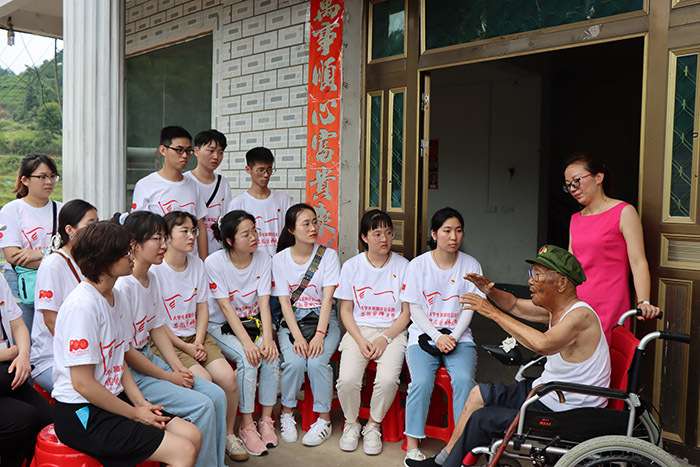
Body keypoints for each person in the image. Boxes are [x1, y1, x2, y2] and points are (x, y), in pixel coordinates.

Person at [405, 245, 611, 467]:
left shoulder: (580, 316)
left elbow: (543, 344)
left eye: (537, 275)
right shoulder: (556, 310)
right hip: (548, 392)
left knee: (481, 419)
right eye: (531, 274)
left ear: (561, 283)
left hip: (568, 409)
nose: (530, 281)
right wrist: (489, 291)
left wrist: (491, 312)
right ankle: (444, 460)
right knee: (478, 394)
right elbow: (514, 305)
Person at [51, 221, 200, 467]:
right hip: (81, 411)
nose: (132, 257)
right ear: (105, 260)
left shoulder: (116, 295)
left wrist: (141, 403)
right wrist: (135, 413)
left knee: (192, 434)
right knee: (182, 451)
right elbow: (82, 384)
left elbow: (119, 360)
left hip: (113, 398)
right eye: (125, 252)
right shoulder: (82, 306)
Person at [116, 211, 230, 467]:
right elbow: (126, 353)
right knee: (202, 406)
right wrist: (169, 376)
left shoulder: (151, 277)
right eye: (157, 238)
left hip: (150, 358)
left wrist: (178, 368)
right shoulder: (124, 286)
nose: (163, 245)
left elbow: (157, 327)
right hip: (134, 371)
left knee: (217, 395)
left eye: (163, 237)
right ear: (135, 244)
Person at [151, 210, 247, 461]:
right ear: (167, 237)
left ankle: (228, 435)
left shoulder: (197, 264)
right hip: (169, 341)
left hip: (197, 336)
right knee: (204, 380)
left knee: (228, 377)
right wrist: (187, 346)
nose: (192, 236)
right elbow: (157, 324)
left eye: (193, 230)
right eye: (184, 231)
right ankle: (201, 442)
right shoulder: (156, 270)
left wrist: (198, 340)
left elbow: (202, 307)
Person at [401, 207, 483, 464]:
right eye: (447, 231)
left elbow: (470, 306)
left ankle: (461, 444)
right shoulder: (418, 265)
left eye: (458, 231)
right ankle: (412, 444)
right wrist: (437, 336)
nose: (453, 237)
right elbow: (414, 308)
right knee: (421, 381)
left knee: (464, 381)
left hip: (460, 337)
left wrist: (454, 336)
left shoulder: (471, 265)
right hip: (423, 336)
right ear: (434, 234)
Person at [335, 209, 410, 455]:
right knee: (347, 380)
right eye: (377, 233)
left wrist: (385, 338)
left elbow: (406, 314)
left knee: (388, 380)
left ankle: (373, 425)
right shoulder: (351, 266)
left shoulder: (404, 266)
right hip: (359, 330)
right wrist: (359, 340)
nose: (384, 239)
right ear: (364, 237)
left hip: (392, 332)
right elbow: (345, 310)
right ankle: (351, 423)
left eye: (388, 232)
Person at [205, 210, 280, 456]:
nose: (254, 237)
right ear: (230, 240)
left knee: (270, 355)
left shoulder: (263, 257)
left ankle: (265, 420)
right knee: (249, 359)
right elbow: (225, 307)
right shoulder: (214, 263)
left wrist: (267, 339)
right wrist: (248, 344)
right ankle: (246, 425)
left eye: (254, 231)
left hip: (252, 322)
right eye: (246, 234)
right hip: (220, 325)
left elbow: (263, 302)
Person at [563, 153, 659, 336]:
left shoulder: (624, 212)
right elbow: (570, 266)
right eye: (568, 185)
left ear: (598, 177)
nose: (573, 188)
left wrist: (643, 302)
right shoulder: (575, 219)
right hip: (577, 303)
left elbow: (638, 262)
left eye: (577, 181)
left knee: (607, 349)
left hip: (610, 303)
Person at [272, 203, 341, 447]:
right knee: (294, 362)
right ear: (291, 229)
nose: (313, 228)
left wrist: (320, 334)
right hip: (293, 321)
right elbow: (284, 302)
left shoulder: (328, 256)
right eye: (306, 224)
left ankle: (324, 419)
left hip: (324, 319)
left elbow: (328, 299)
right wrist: (298, 337)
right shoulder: (279, 260)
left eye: (314, 222)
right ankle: (287, 412)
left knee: (317, 362)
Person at [31, 199, 98, 392]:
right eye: (90, 224)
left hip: (85, 353)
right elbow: (50, 320)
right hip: (53, 357)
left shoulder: (87, 260)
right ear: (69, 229)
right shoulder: (53, 264)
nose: (96, 230)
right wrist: (79, 355)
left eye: (97, 223)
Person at [0, 154, 62, 330]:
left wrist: (39, 253)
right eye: (42, 177)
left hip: (54, 281)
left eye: (52, 176)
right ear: (25, 180)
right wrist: (53, 257)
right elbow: (13, 256)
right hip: (21, 284)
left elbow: (70, 252)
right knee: (24, 332)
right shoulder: (11, 210)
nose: (49, 182)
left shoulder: (62, 209)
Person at [131, 126, 209, 259]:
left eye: (188, 151)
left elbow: (201, 226)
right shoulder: (145, 185)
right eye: (179, 150)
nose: (184, 156)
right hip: (159, 261)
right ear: (163, 150)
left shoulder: (193, 185)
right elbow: (139, 229)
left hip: (189, 261)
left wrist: (203, 261)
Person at [0, 273, 53, 467]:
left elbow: (18, 325)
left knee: (48, 419)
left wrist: (23, 355)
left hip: (9, 370)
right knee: (23, 418)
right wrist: (7, 354)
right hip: (6, 366)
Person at [229, 147, 291, 258]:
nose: (266, 175)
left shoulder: (284, 200)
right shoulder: (237, 204)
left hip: (280, 261)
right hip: (250, 262)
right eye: (261, 170)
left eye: (269, 169)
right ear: (248, 169)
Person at [184, 129, 233, 256]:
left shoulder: (223, 183)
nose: (216, 156)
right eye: (211, 151)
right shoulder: (185, 181)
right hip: (190, 253)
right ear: (196, 151)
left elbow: (226, 218)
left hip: (217, 253)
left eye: (220, 152)